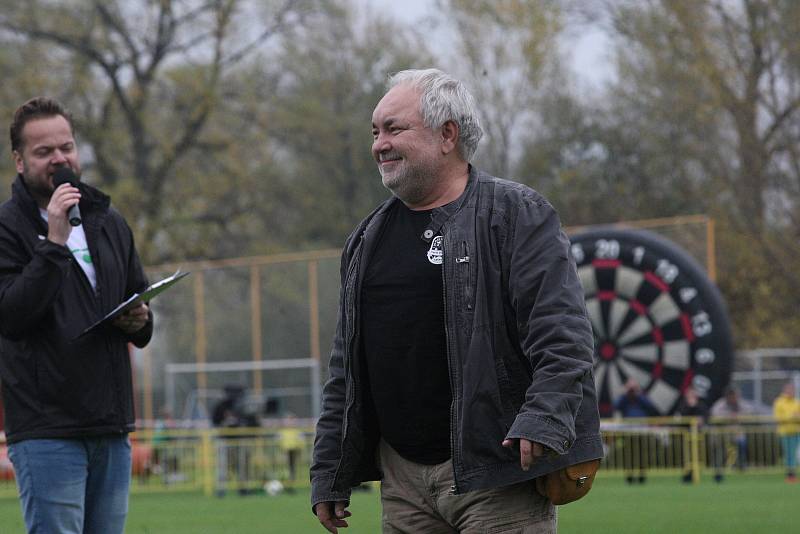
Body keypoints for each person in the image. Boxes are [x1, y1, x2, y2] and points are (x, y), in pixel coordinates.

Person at [311, 69, 602, 533]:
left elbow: (562, 334)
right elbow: (345, 369)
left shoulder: (516, 214)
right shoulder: (366, 239)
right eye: (375, 131)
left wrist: (544, 419)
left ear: (447, 134)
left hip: (498, 473)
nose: (379, 144)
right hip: (402, 481)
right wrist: (330, 469)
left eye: (394, 128)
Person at [0, 97, 153, 534]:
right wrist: (53, 241)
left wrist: (141, 320)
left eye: (65, 147)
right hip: (48, 429)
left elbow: (137, 299)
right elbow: (11, 316)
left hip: (109, 424)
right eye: (43, 152)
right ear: (19, 160)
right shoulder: (7, 229)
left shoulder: (109, 221)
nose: (59, 159)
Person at [211, 385, 258, 496]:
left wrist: (243, 425)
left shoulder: (245, 406)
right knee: (222, 466)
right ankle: (221, 489)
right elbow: (215, 421)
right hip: (224, 440)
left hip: (241, 440)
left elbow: (254, 423)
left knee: (242, 465)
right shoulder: (221, 406)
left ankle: (243, 488)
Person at [613, 379, 657, 484]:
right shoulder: (624, 398)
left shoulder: (641, 397)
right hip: (628, 431)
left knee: (642, 454)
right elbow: (616, 405)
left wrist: (638, 393)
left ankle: (642, 476)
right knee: (629, 454)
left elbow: (649, 406)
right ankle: (629, 476)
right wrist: (624, 393)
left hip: (641, 430)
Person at [710, 386, 755, 482]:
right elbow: (714, 414)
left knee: (742, 445)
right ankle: (718, 473)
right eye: (733, 396)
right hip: (722, 433)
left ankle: (741, 466)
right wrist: (728, 417)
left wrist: (739, 416)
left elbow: (750, 411)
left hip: (736, 433)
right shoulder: (721, 404)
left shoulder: (740, 403)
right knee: (720, 452)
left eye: (736, 396)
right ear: (728, 396)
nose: (734, 398)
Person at [676, 386, 709, 483]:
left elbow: (705, 416)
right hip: (685, 436)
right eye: (688, 394)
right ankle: (687, 475)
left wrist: (695, 406)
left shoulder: (701, 405)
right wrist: (690, 406)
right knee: (686, 457)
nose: (690, 396)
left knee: (698, 457)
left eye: (692, 394)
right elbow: (681, 417)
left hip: (699, 436)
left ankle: (696, 474)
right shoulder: (682, 405)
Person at [772, 382, 800, 483]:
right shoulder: (779, 402)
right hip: (784, 432)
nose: (791, 391)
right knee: (788, 454)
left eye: (793, 389)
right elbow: (778, 417)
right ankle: (789, 474)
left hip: (796, 431)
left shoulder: (797, 402)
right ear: (785, 390)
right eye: (789, 389)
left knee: (793, 454)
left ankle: (792, 474)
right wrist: (791, 417)